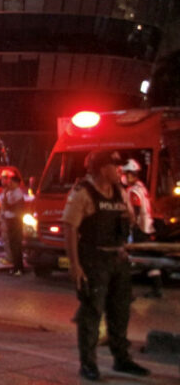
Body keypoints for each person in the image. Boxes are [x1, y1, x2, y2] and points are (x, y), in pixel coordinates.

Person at [63, 150, 150, 381]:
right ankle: (88, 364)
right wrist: (75, 265)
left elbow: (130, 220)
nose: (119, 170)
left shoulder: (120, 192)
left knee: (120, 312)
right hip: (94, 260)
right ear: (103, 169)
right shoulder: (84, 193)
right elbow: (70, 228)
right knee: (92, 313)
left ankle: (122, 359)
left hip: (118, 260)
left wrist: (130, 220)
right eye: (115, 166)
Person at [121, 158, 163, 298]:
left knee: (130, 259)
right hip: (147, 228)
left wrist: (130, 227)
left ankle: (126, 292)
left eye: (126, 174)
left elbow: (136, 211)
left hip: (139, 230)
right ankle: (157, 288)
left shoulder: (133, 191)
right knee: (149, 259)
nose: (124, 177)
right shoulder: (142, 188)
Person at [0, 169, 27, 275]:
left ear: (16, 183)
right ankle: (16, 267)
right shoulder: (9, 192)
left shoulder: (18, 193)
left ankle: (19, 268)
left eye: (11, 182)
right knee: (12, 244)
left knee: (16, 245)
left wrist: (6, 206)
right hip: (10, 220)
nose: (9, 184)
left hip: (15, 221)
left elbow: (17, 208)